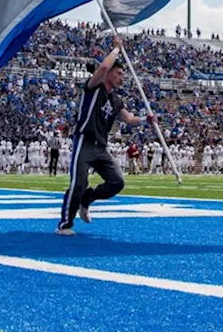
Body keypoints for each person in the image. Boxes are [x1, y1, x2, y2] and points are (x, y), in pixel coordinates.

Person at [57, 37, 155, 236]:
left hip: (101, 147)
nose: (120, 78)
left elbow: (128, 119)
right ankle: (65, 224)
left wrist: (147, 120)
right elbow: (101, 69)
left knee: (117, 182)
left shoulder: (116, 99)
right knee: (78, 183)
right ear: (109, 73)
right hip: (84, 141)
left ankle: (88, 199)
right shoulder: (93, 88)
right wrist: (116, 49)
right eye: (118, 73)